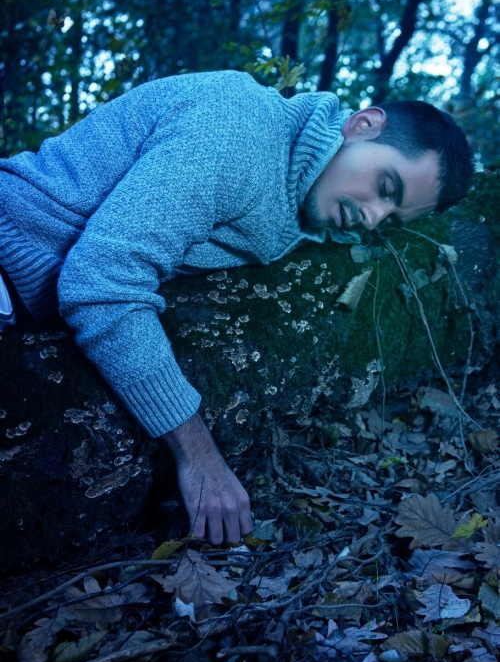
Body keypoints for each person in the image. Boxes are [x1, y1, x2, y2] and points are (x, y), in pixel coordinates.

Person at [0, 70, 474, 544]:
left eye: (391, 218)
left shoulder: (305, 191)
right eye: (386, 188)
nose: (373, 218)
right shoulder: (236, 130)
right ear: (363, 124)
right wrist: (199, 457)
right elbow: (101, 282)